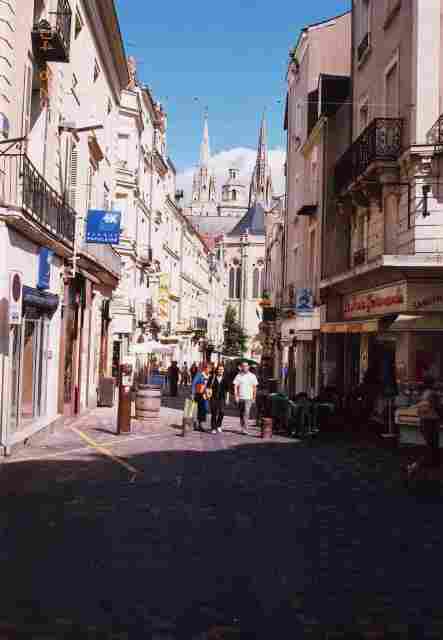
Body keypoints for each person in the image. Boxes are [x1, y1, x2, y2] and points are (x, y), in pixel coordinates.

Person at [408, 375, 443, 479]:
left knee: (433, 450)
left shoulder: (423, 394)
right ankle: (414, 467)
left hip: (424, 422)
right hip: (431, 423)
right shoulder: (432, 394)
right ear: (432, 383)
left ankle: (429, 473)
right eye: (435, 382)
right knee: (432, 449)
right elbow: (438, 408)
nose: (437, 383)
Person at [233, 361, 258, 434]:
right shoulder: (239, 375)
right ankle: (242, 426)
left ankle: (245, 429)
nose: (245, 367)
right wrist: (236, 396)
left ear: (248, 367)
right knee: (241, 413)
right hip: (240, 397)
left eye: (246, 366)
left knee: (246, 412)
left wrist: (254, 397)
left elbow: (255, 387)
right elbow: (235, 386)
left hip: (248, 397)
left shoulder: (252, 376)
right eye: (243, 366)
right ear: (241, 367)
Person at [207, 364, 229, 434]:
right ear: (217, 370)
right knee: (214, 413)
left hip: (222, 398)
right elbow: (208, 387)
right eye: (219, 369)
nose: (220, 371)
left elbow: (227, 390)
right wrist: (208, 395)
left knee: (222, 412)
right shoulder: (212, 378)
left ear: (223, 370)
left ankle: (218, 425)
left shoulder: (225, 379)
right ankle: (213, 428)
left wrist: (227, 399)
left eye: (222, 369)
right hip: (213, 398)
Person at [192, 363, 210, 431]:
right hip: (199, 394)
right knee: (198, 409)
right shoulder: (200, 375)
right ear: (205, 368)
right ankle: (197, 424)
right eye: (208, 368)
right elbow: (194, 383)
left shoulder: (209, 376)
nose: (209, 370)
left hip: (206, 395)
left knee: (204, 409)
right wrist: (193, 393)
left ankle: (200, 424)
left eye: (210, 368)